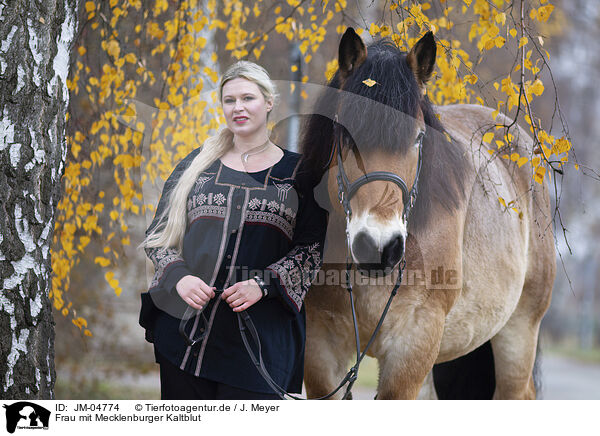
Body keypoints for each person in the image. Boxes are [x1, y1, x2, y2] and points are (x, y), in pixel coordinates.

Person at [139, 61, 328, 400]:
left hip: (258, 350)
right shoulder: (195, 166)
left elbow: (311, 250)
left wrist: (264, 284)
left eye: (248, 98)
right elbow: (159, 236)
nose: (238, 108)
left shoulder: (301, 174)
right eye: (229, 100)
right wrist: (179, 277)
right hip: (185, 342)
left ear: (269, 103)